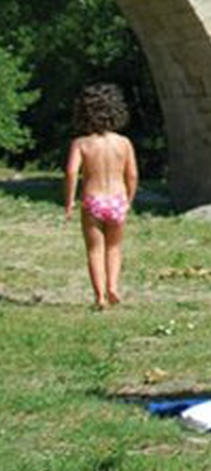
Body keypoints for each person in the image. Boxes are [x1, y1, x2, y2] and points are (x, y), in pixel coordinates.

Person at [63, 83, 139, 310]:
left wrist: (69, 201)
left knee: (95, 249)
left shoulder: (81, 144)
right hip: (117, 200)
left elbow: (70, 172)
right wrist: (129, 200)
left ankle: (99, 297)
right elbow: (133, 175)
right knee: (114, 247)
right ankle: (114, 287)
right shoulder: (123, 143)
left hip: (93, 200)